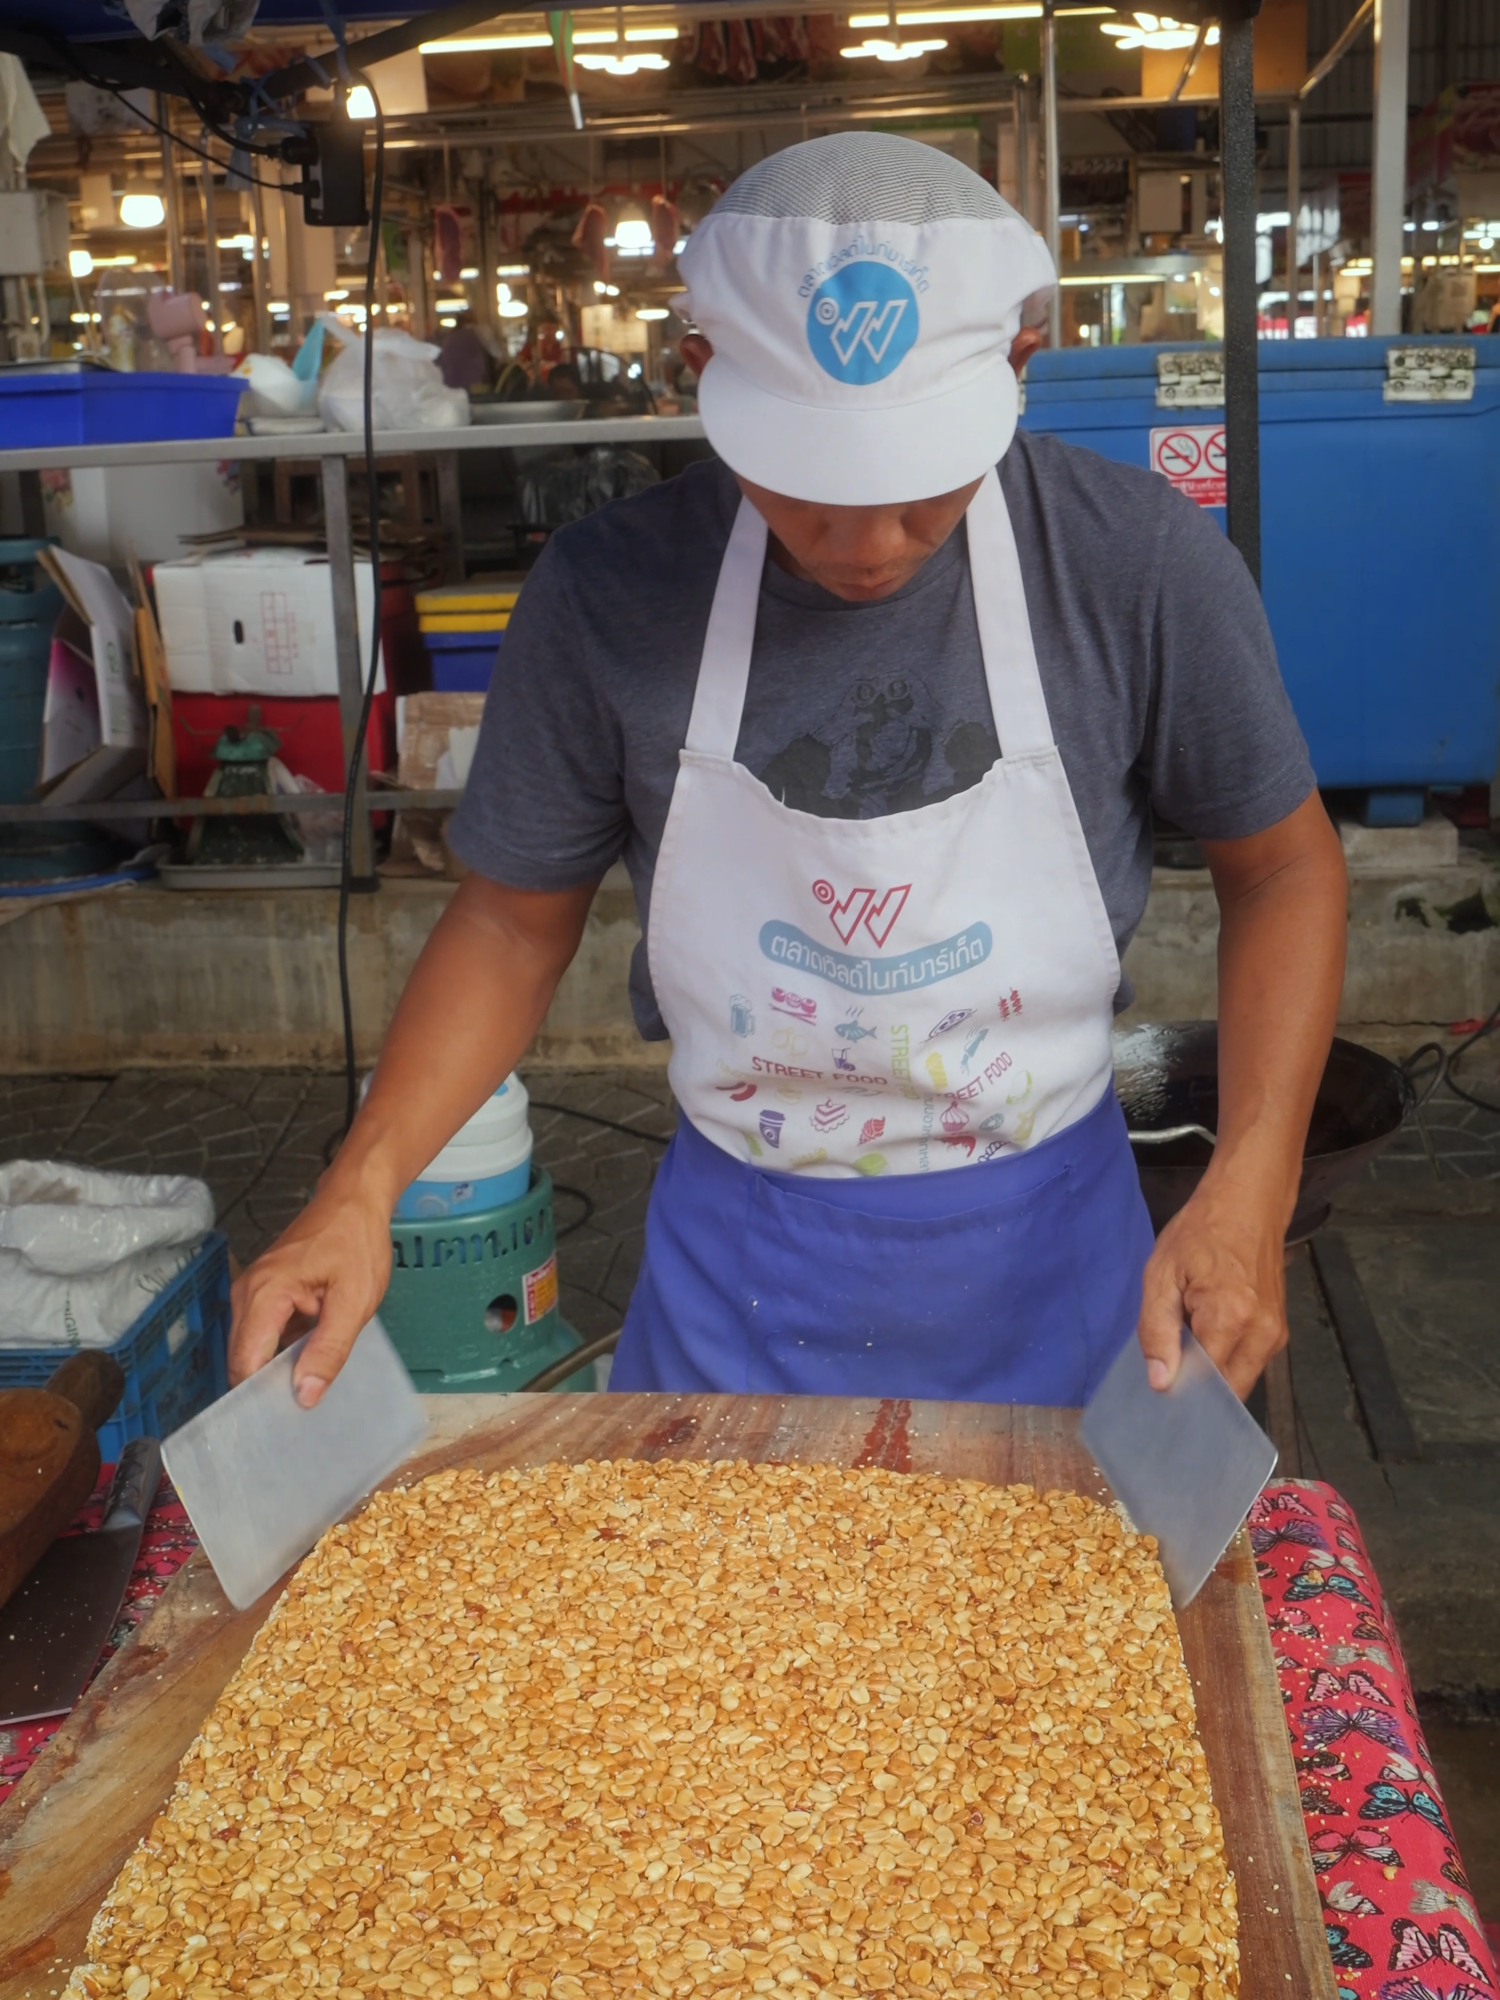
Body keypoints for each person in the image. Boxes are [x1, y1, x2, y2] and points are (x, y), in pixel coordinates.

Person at [230, 132, 1347, 1411]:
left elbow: (1285, 871)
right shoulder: (607, 593)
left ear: (1019, 364)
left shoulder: (1135, 568)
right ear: (701, 370)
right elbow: (507, 920)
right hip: (738, 1289)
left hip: (1070, 1282)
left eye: (918, 483)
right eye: (808, 484)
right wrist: (360, 1185)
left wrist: (1250, 1182)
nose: (865, 541)